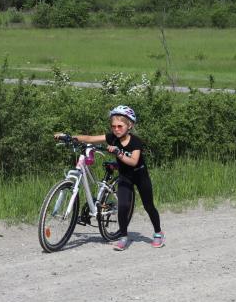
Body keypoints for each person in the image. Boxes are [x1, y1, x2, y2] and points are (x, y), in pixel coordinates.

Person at [55, 105, 164, 250]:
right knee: (123, 206)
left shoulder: (135, 141)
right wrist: (69, 137)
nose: (116, 129)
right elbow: (89, 138)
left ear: (130, 125)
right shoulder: (112, 137)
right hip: (125, 176)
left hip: (140, 175)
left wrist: (119, 153)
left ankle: (158, 233)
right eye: (113, 126)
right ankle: (123, 236)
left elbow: (133, 161)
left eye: (120, 126)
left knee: (148, 206)